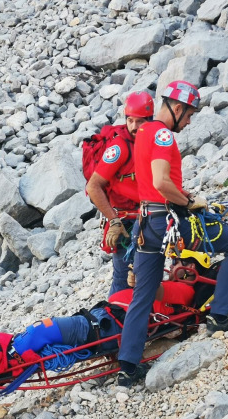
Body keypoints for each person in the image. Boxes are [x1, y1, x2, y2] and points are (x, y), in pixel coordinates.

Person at [115, 80, 228, 387]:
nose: (188, 121)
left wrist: (185, 195)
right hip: (169, 222)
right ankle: (220, 315)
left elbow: (152, 184)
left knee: (144, 292)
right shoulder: (163, 134)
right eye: (188, 114)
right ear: (177, 109)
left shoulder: (142, 133)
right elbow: (162, 182)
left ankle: (127, 367)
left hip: (147, 221)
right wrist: (190, 202)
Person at [0, 279, 197, 379]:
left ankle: (1, 360)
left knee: (38, 333)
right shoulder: (152, 300)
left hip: (92, 328)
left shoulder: (156, 305)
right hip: (93, 325)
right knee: (36, 333)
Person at [86, 91, 155, 296]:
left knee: (143, 274)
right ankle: (113, 320)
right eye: (130, 120)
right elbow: (93, 186)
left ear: (150, 120)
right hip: (125, 223)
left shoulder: (149, 141)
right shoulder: (119, 147)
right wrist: (113, 221)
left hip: (147, 217)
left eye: (139, 121)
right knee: (123, 278)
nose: (133, 126)